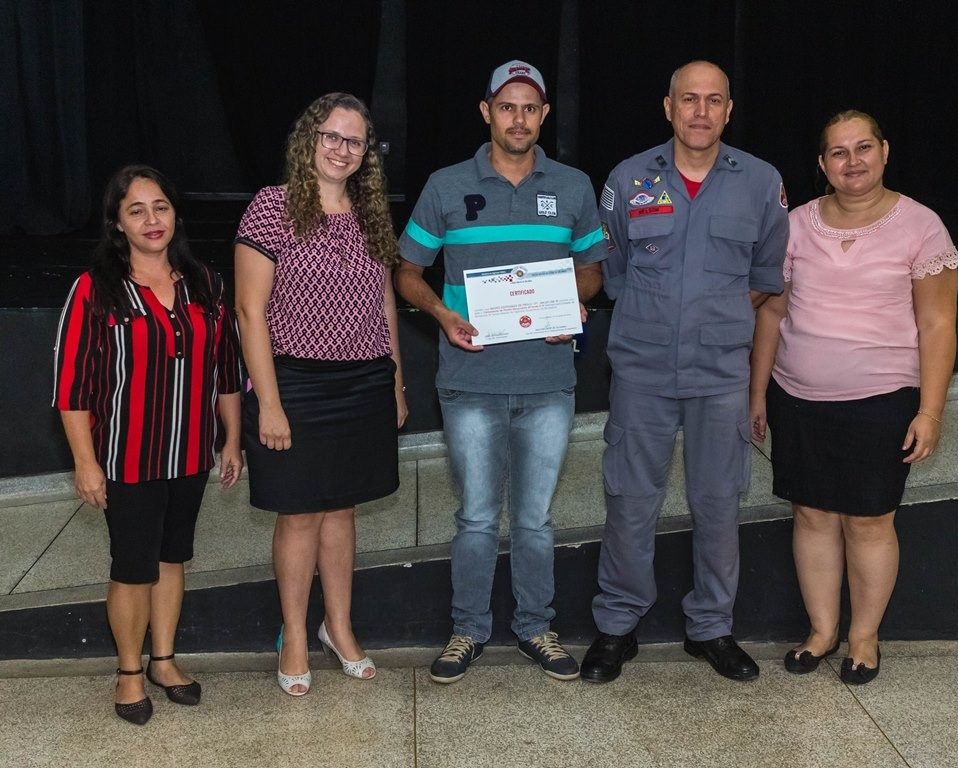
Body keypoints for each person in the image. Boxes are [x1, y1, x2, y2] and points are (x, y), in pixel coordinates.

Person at [396, 60, 605, 683]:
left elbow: (592, 270)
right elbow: (407, 272)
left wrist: (573, 303)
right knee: (478, 517)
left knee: (536, 519)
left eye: (530, 108)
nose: (519, 119)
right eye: (507, 106)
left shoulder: (572, 186)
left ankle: (536, 627)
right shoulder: (446, 185)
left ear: (544, 115)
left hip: (547, 382)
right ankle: (468, 630)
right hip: (470, 383)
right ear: (486, 111)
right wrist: (440, 314)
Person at [581, 61, 789, 684]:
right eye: (689, 99)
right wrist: (661, 318)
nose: (701, 111)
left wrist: (713, 315)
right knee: (629, 501)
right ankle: (618, 626)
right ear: (668, 107)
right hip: (641, 370)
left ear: (729, 110)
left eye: (714, 100)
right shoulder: (628, 178)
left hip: (720, 373)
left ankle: (712, 628)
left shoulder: (761, 182)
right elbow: (614, 271)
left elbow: (766, 276)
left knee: (719, 502)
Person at [749, 110, 958, 684]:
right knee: (812, 514)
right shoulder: (794, 225)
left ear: (884, 151)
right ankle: (822, 631)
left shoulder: (921, 226)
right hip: (797, 399)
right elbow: (772, 313)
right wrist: (758, 392)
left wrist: (930, 411)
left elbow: (938, 325)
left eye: (863, 148)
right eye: (838, 152)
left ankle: (864, 637)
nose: (853, 161)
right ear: (822, 164)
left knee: (869, 522)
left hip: (882, 402)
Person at [53, 165, 243, 725]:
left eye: (160, 207)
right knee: (133, 566)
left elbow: (225, 369)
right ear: (117, 223)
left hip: (190, 454)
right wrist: (85, 463)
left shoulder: (205, 283)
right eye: (135, 210)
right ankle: (129, 671)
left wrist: (232, 439)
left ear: (175, 213)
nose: (151, 220)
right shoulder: (95, 289)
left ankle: (163, 661)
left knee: (172, 557)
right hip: (126, 456)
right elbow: (71, 386)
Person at [234, 92, 407, 696]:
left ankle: (338, 627)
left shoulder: (371, 213)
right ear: (309, 139)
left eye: (354, 141)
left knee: (343, 509)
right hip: (295, 384)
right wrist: (270, 403)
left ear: (366, 153)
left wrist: (395, 379)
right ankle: (295, 636)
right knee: (301, 512)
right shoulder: (271, 207)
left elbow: (383, 301)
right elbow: (249, 312)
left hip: (363, 381)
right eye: (331, 136)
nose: (342, 149)